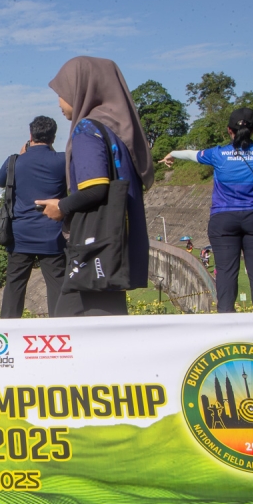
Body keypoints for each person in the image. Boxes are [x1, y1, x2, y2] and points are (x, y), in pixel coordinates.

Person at [35, 56, 154, 316]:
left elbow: (96, 188)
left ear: (81, 90)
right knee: (108, 324)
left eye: (62, 92)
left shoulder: (87, 129)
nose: (59, 102)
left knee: (69, 327)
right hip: (113, 246)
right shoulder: (119, 131)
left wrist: (61, 206)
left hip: (94, 250)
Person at [161, 108, 253, 312]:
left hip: (224, 217)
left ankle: (226, 315)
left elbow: (191, 154)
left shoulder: (218, 154)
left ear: (229, 130)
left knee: (226, 270)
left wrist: (171, 154)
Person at [0, 115, 67, 317]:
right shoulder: (62, 160)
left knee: (14, 286)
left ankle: (7, 334)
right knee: (57, 287)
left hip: (20, 236)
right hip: (53, 234)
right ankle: (59, 332)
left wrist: (20, 156)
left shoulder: (14, 162)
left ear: (30, 135)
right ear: (53, 137)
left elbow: (0, 181)